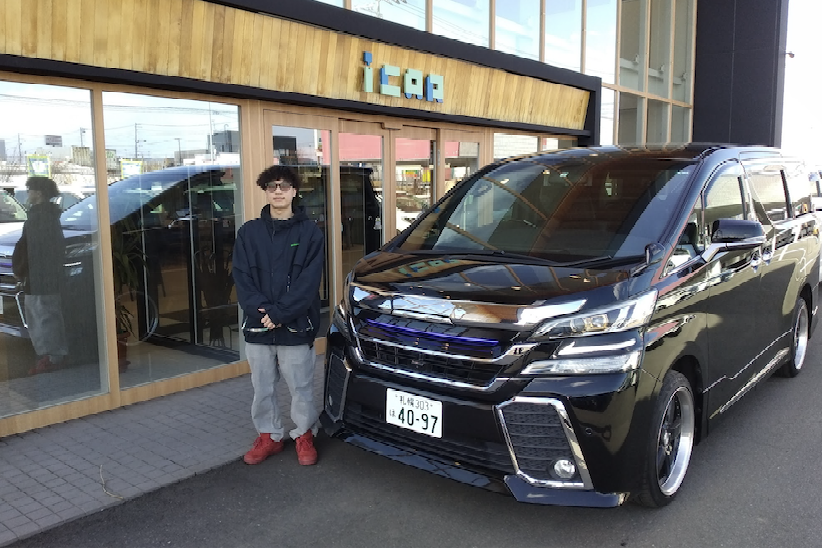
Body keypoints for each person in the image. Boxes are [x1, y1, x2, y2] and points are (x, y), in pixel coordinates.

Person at [232, 165, 325, 466]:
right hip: (259, 325)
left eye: (284, 186)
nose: (278, 191)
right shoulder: (249, 233)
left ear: (294, 191)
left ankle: (304, 435)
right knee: (262, 388)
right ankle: (269, 436)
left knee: (301, 388)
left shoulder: (310, 233)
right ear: (265, 191)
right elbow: (242, 278)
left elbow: (308, 283)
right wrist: (264, 312)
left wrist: (280, 313)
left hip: (296, 324)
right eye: (272, 186)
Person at [12, 176, 69, 375]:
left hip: (40, 277)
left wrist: (20, 270)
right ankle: (51, 357)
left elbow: (32, 250)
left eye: (29, 190)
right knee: (44, 315)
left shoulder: (40, 218)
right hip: (43, 276)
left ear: (39, 192)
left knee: (43, 317)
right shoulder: (48, 216)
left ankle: (51, 358)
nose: (28, 194)